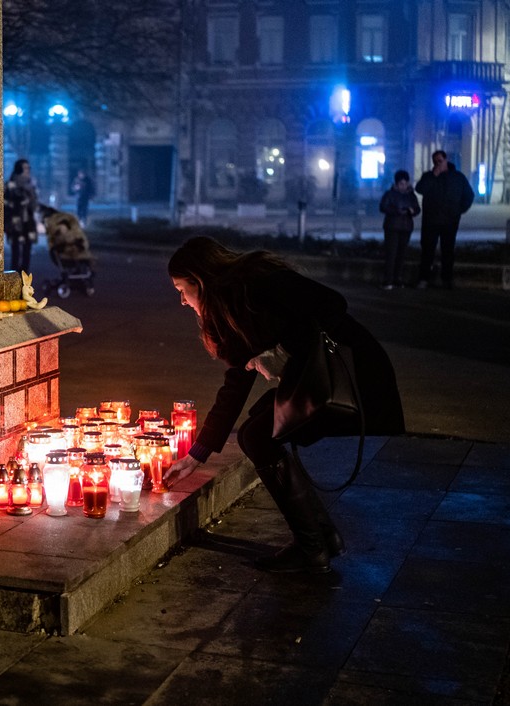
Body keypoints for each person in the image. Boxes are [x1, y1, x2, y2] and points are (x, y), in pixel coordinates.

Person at [164, 237, 405, 574]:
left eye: (181, 289)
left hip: (349, 373)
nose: (182, 301)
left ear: (200, 282)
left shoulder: (259, 282)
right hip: (313, 378)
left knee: (259, 435)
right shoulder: (230, 314)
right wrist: (196, 454)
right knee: (256, 429)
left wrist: (279, 350)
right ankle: (323, 537)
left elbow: (332, 304)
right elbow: (236, 382)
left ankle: (312, 549)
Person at [414, 150, 474, 289]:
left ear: (446, 160)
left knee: (448, 251)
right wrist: (433, 176)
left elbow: (469, 195)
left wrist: (459, 211)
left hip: (450, 221)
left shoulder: (458, 177)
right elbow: (420, 189)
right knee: (427, 250)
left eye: (440, 161)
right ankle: (424, 278)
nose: (438, 164)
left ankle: (447, 279)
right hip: (430, 221)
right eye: (435, 162)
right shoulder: (429, 176)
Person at [378, 169, 420, 289]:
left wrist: (412, 211)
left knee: (401, 254)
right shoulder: (390, 194)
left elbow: (417, 209)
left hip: (406, 227)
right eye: (401, 183)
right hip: (392, 227)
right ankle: (388, 280)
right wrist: (396, 211)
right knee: (391, 254)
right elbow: (383, 207)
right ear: (396, 183)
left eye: (405, 183)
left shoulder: (411, 195)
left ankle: (398, 279)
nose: (404, 186)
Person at [3, 159, 39, 273]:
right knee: (15, 249)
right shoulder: (10, 185)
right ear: (19, 169)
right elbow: (4, 202)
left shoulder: (30, 184)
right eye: (25, 168)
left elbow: (34, 204)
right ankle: (14, 276)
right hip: (15, 221)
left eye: (29, 168)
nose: (28, 170)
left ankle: (25, 274)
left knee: (27, 248)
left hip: (28, 221)